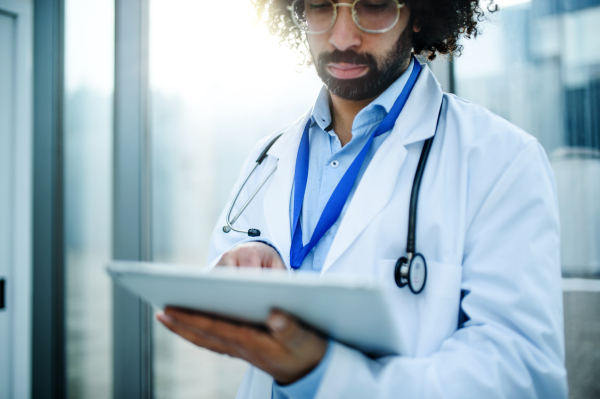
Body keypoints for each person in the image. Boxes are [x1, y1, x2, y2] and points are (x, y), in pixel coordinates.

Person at [157, 0, 568, 397]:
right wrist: (241, 268)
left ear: (419, 13)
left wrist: (323, 373)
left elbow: (520, 375)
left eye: (372, 5)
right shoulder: (269, 156)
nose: (342, 37)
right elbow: (225, 276)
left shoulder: (502, 160)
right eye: (320, 5)